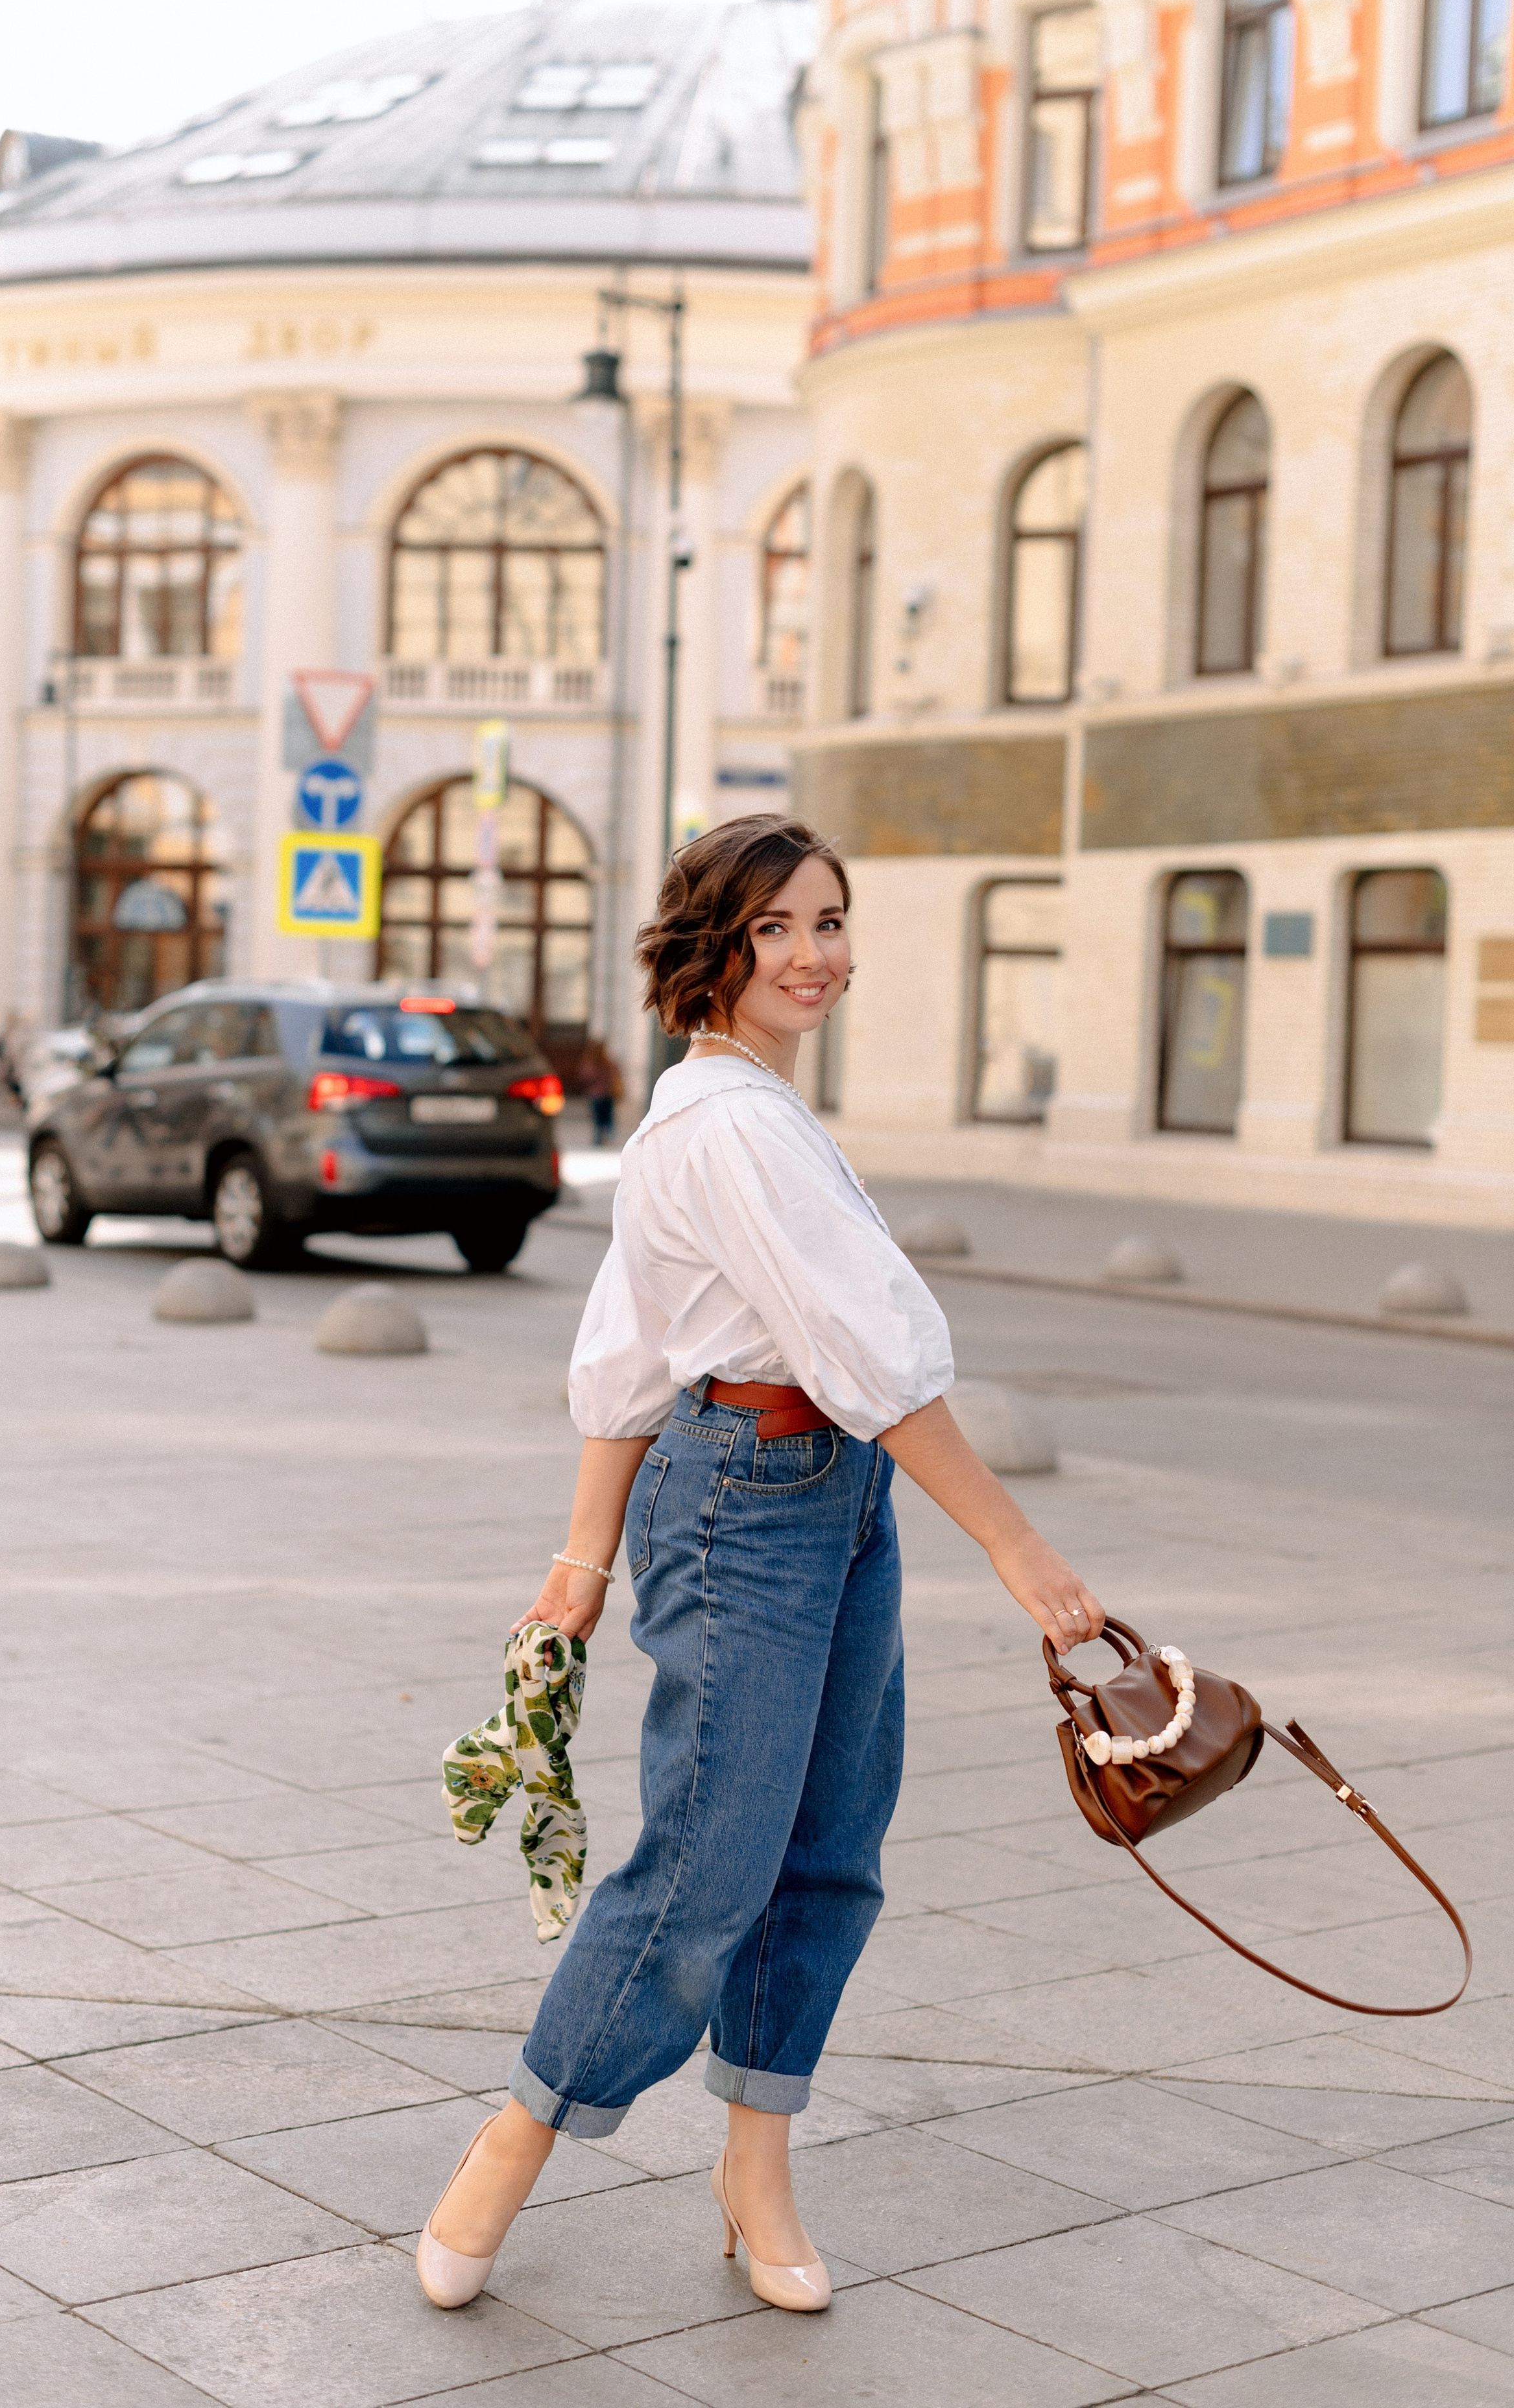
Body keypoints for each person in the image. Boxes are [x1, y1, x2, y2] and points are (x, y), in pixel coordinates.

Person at [416, 813, 1105, 2314]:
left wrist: (584, 1551)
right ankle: (519, 2129)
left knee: (830, 1844)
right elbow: (816, 1356)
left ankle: (754, 2164)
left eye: (828, 922)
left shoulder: (750, 1111)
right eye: (775, 927)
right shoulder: (725, 1121)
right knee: (706, 1859)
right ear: (710, 949)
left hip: (827, 1489)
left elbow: (629, 1329)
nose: (812, 955)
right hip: (746, 1498)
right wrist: (1017, 1544)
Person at [577, 1038, 623, 1147]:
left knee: (598, 1119)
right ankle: (608, 1134)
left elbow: (585, 1077)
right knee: (607, 1117)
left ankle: (599, 1138)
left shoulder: (590, 1063)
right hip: (607, 1095)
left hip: (596, 1096)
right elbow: (615, 1074)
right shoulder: (608, 1062)